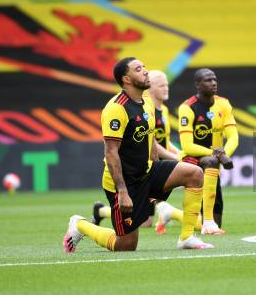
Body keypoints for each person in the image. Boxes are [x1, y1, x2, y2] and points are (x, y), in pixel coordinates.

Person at [63, 57, 213, 252]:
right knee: (126, 245)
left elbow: (150, 140)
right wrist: (123, 192)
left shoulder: (147, 103)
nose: (145, 71)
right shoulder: (116, 108)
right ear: (126, 79)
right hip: (124, 183)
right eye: (138, 69)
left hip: (147, 172)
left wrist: (157, 177)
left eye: (144, 67)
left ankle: (186, 237)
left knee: (194, 173)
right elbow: (111, 152)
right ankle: (80, 224)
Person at [90, 70, 182, 230]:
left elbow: (163, 141)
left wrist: (177, 153)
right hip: (135, 171)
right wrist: (175, 157)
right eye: (161, 85)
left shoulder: (162, 110)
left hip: (150, 165)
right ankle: (101, 212)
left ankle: (174, 220)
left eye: (167, 84)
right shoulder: (127, 107)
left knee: (188, 174)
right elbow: (153, 144)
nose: (166, 88)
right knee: (143, 224)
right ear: (151, 87)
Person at [175, 68, 239, 235]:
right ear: (197, 84)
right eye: (208, 80)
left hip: (213, 160)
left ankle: (177, 215)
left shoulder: (223, 104)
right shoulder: (187, 108)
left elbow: (233, 137)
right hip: (192, 158)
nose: (213, 83)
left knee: (217, 215)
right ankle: (208, 223)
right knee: (210, 163)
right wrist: (219, 155)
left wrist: (223, 154)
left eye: (215, 79)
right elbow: (187, 146)